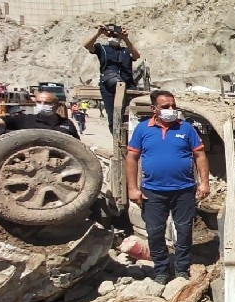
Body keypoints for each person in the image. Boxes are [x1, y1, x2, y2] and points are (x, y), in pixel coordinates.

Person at [126, 90, 210, 285]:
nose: (171, 110)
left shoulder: (186, 128)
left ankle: (182, 269)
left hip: (184, 190)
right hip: (153, 191)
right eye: (165, 107)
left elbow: (200, 156)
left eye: (173, 106)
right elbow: (131, 158)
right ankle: (162, 270)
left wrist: (204, 182)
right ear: (153, 109)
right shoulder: (142, 129)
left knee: (184, 230)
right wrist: (132, 188)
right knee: (155, 232)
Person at [84, 24, 141, 134]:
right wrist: (98, 33)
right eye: (109, 34)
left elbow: (136, 56)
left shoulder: (125, 50)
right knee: (113, 116)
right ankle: (117, 140)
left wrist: (126, 38)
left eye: (115, 34)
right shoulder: (102, 49)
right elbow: (87, 46)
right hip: (109, 88)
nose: (112, 36)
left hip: (128, 86)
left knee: (131, 115)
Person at [0, 91, 80, 139]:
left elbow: (77, 145)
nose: (42, 105)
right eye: (39, 102)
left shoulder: (67, 124)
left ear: (56, 105)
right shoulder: (24, 120)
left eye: (47, 103)